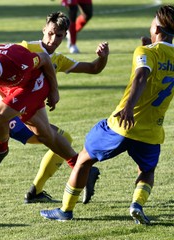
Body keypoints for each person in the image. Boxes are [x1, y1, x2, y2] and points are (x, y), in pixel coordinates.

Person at [0, 12, 109, 204]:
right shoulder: (25, 49)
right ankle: (76, 170)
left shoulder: (58, 60)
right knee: (2, 130)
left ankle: (43, 183)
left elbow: (93, 68)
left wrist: (102, 58)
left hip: (25, 101)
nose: (53, 39)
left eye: (59, 35)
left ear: (65, 36)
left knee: (3, 131)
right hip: (11, 100)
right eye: (51, 33)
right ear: (44, 30)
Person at [40, 5, 174, 224]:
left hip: (121, 124)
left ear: (157, 28)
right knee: (147, 169)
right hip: (151, 130)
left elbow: (141, 77)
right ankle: (137, 205)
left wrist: (129, 107)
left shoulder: (146, 53)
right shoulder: (160, 53)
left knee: (83, 159)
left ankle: (66, 210)